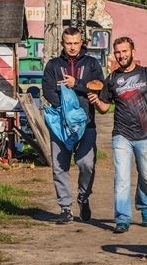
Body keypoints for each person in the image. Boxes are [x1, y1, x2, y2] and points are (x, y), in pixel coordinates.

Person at [92, 36, 147, 233]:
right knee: (122, 178)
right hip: (122, 135)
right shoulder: (112, 79)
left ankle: (145, 208)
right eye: (117, 52)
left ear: (133, 52)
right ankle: (122, 218)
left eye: (124, 51)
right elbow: (104, 108)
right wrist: (95, 100)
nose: (121, 55)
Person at [42, 27, 105, 224]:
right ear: (62, 43)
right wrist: (65, 110)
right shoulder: (53, 65)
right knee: (60, 166)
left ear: (82, 43)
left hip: (86, 124)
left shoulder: (92, 63)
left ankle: (83, 197)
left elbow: (99, 86)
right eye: (68, 43)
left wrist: (76, 84)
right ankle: (65, 208)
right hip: (60, 126)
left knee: (86, 164)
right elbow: (48, 89)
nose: (72, 47)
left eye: (76, 43)